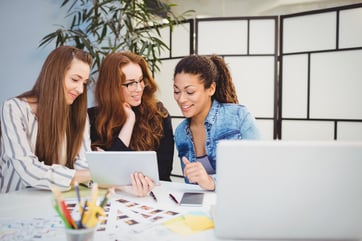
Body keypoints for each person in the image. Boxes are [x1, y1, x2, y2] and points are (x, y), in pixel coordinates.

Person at [0, 46, 93, 193]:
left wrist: (118, 181)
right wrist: (91, 175)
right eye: (75, 79)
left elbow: (85, 164)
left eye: (84, 83)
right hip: (16, 200)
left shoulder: (79, 115)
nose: (80, 90)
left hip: (55, 200)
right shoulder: (14, 108)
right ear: (54, 75)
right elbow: (28, 169)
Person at [88, 52, 174, 195]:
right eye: (130, 83)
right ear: (111, 87)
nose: (139, 88)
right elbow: (103, 175)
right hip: (111, 198)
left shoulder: (158, 113)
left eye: (141, 80)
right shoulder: (92, 118)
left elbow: (163, 171)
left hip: (154, 195)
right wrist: (129, 122)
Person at [173, 54, 260, 191]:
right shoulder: (180, 132)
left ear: (211, 89)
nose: (181, 99)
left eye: (190, 92)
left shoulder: (238, 116)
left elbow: (259, 169)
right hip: (200, 209)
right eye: (176, 91)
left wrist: (211, 182)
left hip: (240, 203)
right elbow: (192, 186)